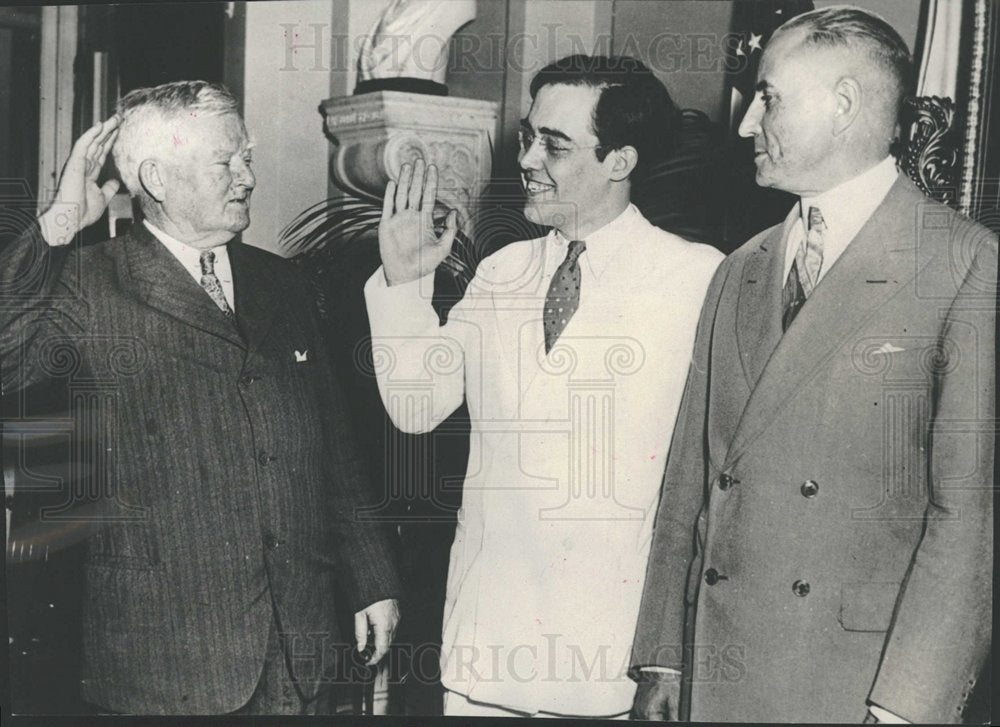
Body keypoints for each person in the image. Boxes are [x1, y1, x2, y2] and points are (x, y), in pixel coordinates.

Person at [630, 7, 995, 723]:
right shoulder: (743, 267)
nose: (743, 124)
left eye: (767, 97)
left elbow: (970, 522)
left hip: (853, 683)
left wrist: (906, 707)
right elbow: (689, 480)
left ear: (844, 104)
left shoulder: (964, 264)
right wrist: (664, 654)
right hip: (716, 671)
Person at [0, 81, 401, 715]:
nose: (247, 175)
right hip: (165, 659)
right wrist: (56, 228)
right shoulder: (87, 283)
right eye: (228, 161)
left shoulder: (285, 283)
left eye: (247, 157)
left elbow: (333, 445)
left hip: (298, 649)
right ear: (157, 178)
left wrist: (372, 581)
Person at [364, 55, 723, 718]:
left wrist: (669, 652)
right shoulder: (503, 270)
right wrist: (404, 283)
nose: (527, 158)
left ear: (620, 160)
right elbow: (417, 407)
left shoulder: (699, 280)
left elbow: (714, 480)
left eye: (553, 145)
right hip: (490, 649)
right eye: (528, 136)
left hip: (611, 659)